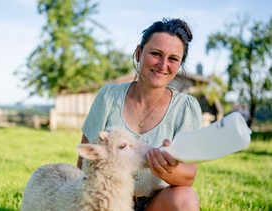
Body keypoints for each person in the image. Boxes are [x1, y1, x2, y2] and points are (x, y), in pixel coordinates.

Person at [77, 18, 202, 211]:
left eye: (173, 59)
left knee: (185, 198)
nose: (162, 65)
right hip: (107, 201)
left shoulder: (186, 108)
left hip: (155, 205)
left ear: (179, 65)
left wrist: (163, 167)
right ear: (138, 53)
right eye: (155, 54)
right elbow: (84, 162)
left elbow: (189, 176)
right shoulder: (109, 96)